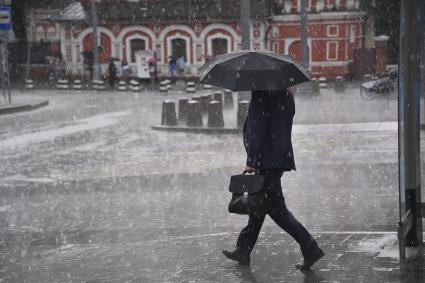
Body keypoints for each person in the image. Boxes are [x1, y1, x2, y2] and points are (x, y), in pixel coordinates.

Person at [223, 89, 324, 271]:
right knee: (259, 205)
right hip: (279, 157)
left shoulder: (262, 93)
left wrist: (251, 161)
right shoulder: (287, 95)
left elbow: (258, 128)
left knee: (277, 211)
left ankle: (310, 248)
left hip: (266, 160)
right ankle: (243, 249)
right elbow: (283, 122)